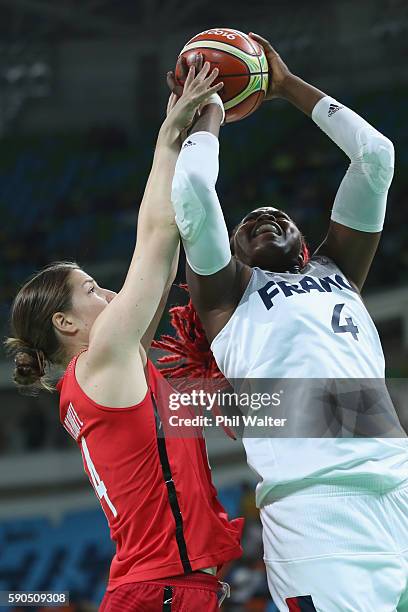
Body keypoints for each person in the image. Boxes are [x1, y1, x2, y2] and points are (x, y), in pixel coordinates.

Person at [168, 35, 408, 610]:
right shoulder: (227, 300)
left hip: (399, 486)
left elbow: (376, 158)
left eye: (277, 216)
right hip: (314, 515)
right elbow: (195, 190)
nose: (265, 219)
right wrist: (209, 112)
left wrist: (288, 87)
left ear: (306, 241)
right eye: (247, 225)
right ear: (230, 255)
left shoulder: (340, 269)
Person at [5, 63, 243, 612]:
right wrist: (173, 138)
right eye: (91, 288)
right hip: (162, 591)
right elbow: (158, 235)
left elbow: (166, 254)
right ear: (66, 324)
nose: (108, 292)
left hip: (161, 589)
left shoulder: (110, 366)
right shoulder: (101, 359)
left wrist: (179, 136)